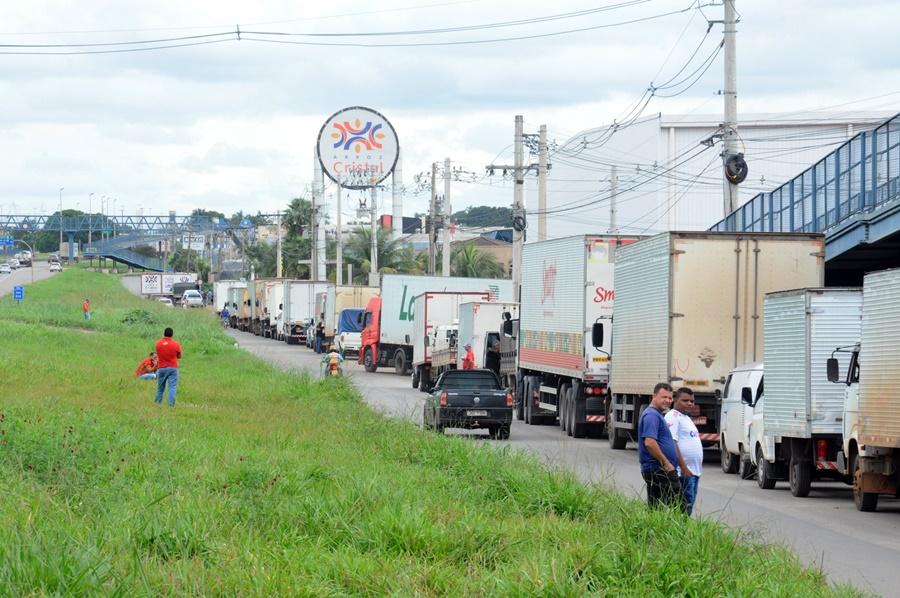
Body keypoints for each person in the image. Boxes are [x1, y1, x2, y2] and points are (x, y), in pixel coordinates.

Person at [638, 382, 681, 509]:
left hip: (659, 469)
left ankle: (655, 528)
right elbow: (650, 443)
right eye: (664, 397)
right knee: (678, 507)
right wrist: (666, 464)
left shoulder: (656, 414)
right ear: (654, 396)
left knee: (656, 508)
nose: (667, 401)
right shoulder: (651, 415)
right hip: (659, 470)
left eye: (670, 398)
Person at [666, 387, 703, 515]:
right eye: (685, 400)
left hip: (693, 471)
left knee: (688, 506)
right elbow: (672, 443)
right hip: (684, 473)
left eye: (692, 401)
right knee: (683, 508)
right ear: (675, 400)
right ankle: (678, 533)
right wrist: (683, 467)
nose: (689, 403)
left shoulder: (686, 418)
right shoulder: (673, 416)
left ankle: (682, 532)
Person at [154, 327, 182, 407]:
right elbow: (179, 356)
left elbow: (158, 353)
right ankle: (171, 406)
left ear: (164, 333)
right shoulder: (176, 344)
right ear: (172, 334)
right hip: (173, 368)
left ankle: (157, 404)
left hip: (161, 368)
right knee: (172, 387)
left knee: (160, 388)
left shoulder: (158, 343)